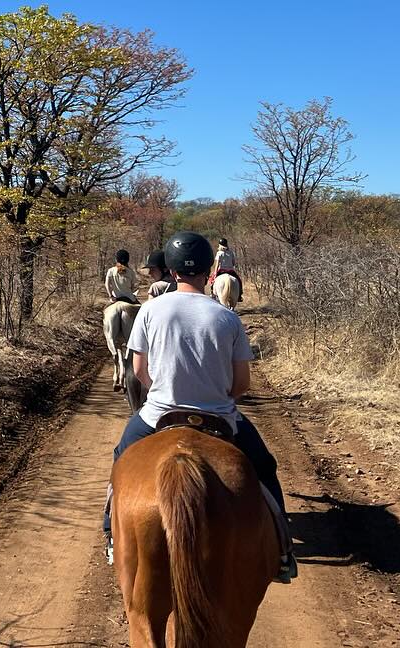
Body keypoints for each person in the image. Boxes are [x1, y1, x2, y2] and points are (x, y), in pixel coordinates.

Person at [103, 231, 295, 582]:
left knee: (122, 457)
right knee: (264, 467)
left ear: (172, 272)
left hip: (158, 414)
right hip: (220, 417)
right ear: (209, 272)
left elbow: (139, 371)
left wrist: (164, 391)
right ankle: (283, 550)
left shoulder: (149, 311)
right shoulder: (228, 319)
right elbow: (241, 385)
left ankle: (111, 535)